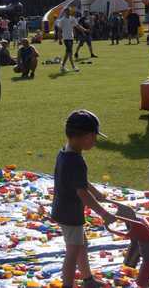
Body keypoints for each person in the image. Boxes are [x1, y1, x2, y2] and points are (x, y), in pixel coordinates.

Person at [51, 110, 115, 288]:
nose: (95, 141)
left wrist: (95, 191)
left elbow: (80, 182)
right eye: (94, 137)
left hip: (63, 208)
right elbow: (82, 193)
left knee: (81, 245)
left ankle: (87, 279)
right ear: (86, 136)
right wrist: (105, 214)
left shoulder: (65, 152)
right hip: (70, 214)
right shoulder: (76, 161)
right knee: (72, 252)